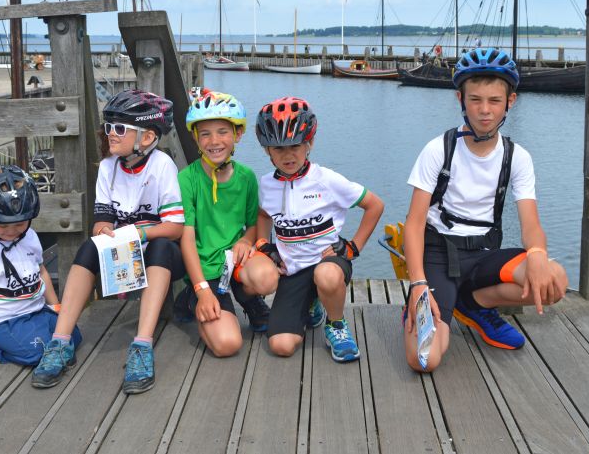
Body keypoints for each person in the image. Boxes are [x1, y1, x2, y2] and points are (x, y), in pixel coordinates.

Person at [401, 47, 568, 372]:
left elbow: (530, 223)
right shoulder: (439, 149)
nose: (484, 111)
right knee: (425, 360)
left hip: (483, 253)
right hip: (438, 254)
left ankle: (473, 305)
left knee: (554, 279)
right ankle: (420, 308)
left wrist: (536, 253)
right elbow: (414, 223)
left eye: (494, 100)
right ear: (460, 100)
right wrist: (418, 283)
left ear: (511, 101)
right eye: (475, 100)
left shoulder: (516, 157)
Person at [32, 89, 185, 393]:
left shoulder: (162, 166)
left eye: (119, 128)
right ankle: (60, 342)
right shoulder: (108, 167)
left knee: (162, 247)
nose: (110, 135)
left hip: (160, 254)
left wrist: (140, 233)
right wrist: (104, 232)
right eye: (108, 127)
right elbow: (103, 219)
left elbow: (175, 228)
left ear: (147, 137)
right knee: (89, 247)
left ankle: (142, 345)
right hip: (123, 252)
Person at [240, 97, 384, 362]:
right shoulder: (266, 185)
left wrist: (353, 247)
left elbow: (374, 205)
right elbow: (263, 213)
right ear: (267, 151)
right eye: (278, 148)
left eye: (295, 146)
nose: (288, 155)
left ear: (310, 143)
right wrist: (263, 243)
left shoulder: (327, 180)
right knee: (281, 346)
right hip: (293, 269)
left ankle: (336, 325)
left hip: (329, 261)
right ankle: (312, 304)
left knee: (327, 276)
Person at [175, 91, 270, 357]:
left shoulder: (247, 177)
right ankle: (194, 299)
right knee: (228, 344)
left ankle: (249, 301)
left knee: (267, 278)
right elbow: (186, 237)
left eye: (222, 132)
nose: (214, 141)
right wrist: (201, 289)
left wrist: (245, 240)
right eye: (204, 133)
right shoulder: (187, 179)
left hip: (234, 263)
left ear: (237, 135)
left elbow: (252, 224)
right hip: (204, 270)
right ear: (195, 137)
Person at [0, 165, 77, 371]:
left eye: (19, 224)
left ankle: (36, 337)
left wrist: (54, 305)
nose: (12, 231)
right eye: (3, 225)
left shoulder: (31, 237)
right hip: (4, 321)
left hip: (36, 310)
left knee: (72, 335)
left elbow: (41, 272)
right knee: (38, 354)